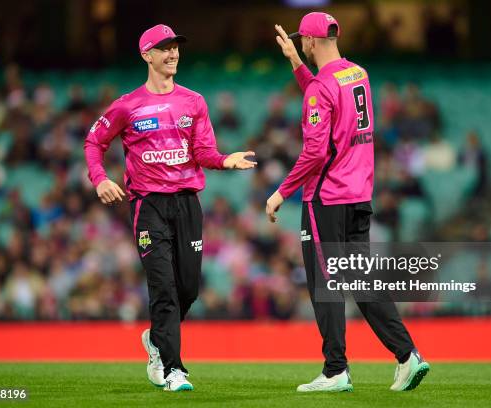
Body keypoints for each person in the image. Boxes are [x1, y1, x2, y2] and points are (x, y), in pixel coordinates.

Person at [84, 24, 255, 392]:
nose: (173, 53)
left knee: (188, 289)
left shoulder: (193, 101)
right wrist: (99, 178)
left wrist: (226, 160)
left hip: (187, 205)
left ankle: (156, 341)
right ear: (146, 55)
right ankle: (174, 370)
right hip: (149, 206)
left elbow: (203, 153)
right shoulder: (126, 105)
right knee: (162, 286)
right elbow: (93, 141)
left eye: (175, 47)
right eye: (164, 48)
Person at [267, 13, 429, 392]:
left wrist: (280, 192)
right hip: (359, 195)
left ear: (309, 41)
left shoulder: (319, 87)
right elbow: (327, 95)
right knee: (361, 280)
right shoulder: (358, 74)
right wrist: (295, 63)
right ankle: (407, 356)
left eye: (301, 43)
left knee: (325, 283)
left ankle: (335, 370)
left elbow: (314, 153)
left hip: (326, 197)